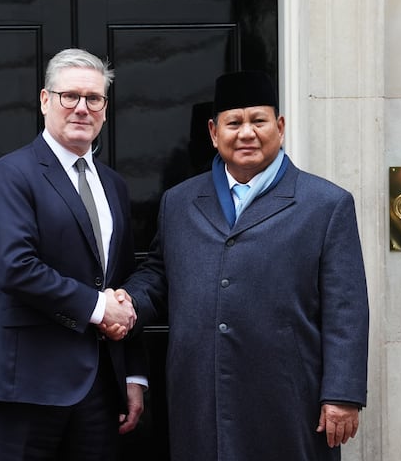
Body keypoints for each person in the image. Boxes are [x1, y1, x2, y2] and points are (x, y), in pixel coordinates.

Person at [110, 70, 369, 460]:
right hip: (199, 396)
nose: (246, 133)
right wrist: (127, 302)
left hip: (289, 398)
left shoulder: (325, 204)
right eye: (234, 123)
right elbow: (160, 274)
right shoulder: (179, 202)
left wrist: (343, 394)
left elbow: (346, 306)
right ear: (214, 133)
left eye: (258, 121)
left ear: (279, 127)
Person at [0, 48, 145, 461]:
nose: (82, 108)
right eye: (70, 96)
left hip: (100, 390)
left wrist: (133, 375)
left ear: (105, 108)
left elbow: (122, 280)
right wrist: (99, 309)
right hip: (24, 387)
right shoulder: (12, 174)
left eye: (94, 99)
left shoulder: (114, 185)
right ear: (45, 100)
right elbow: (16, 267)